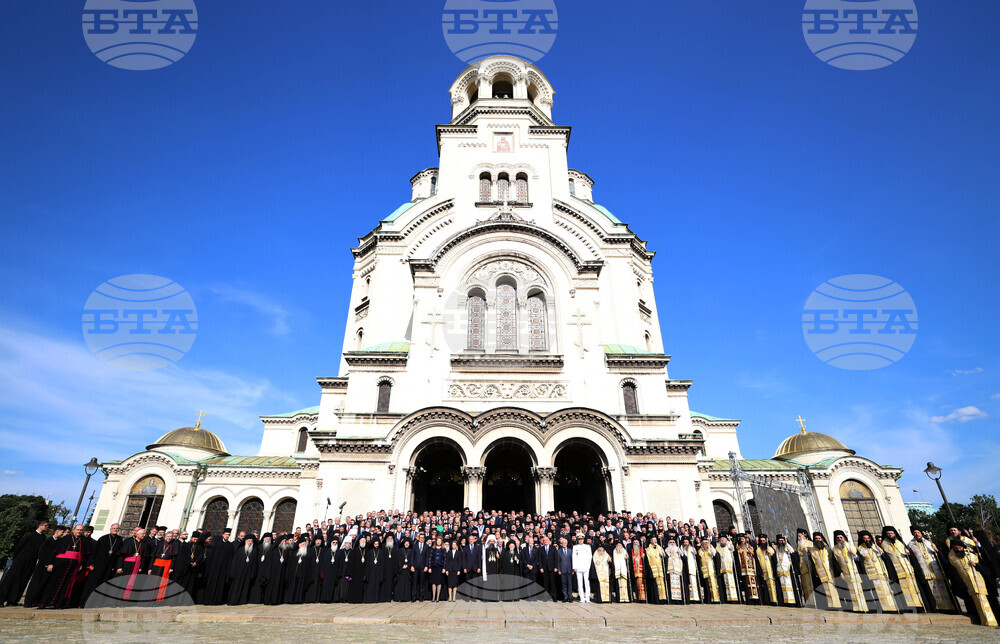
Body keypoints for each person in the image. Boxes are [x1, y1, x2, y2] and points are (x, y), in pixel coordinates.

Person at [947, 540, 999, 627]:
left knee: (985, 600)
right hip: (967, 582)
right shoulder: (952, 556)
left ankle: (991, 620)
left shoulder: (970, 554)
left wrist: (976, 564)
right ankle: (984, 620)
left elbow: (984, 564)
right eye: (955, 547)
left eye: (959, 547)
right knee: (977, 602)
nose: (958, 549)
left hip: (979, 580)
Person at [39, 524, 91, 609]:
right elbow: (54, 552)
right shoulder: (66, 538)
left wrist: (82, 565)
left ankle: (59, 603)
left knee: (67, 585)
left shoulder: (84, 541)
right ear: (74, 529)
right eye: (77, 529)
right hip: (60, 564)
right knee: (53, 583)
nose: (79, 531)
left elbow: (85, 555)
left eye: (81, 530)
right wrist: (50, 563)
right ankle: (44, 602)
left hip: (73, 567)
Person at [0, 520, 48, 607]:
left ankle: (13, 600)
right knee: (12, 579)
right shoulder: (30, 535)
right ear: (40, 526)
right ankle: (2, 599)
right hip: (21, 560)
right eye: (45, 525)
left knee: (23, 580)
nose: (46, 527)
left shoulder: (43, 538)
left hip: (31, 562)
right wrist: (17, 559)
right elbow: (19, 546)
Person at [908, 526, 957, 613]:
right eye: (915, 533)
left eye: (918, 532)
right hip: (924, 570)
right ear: (912, 534)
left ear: (921, 533)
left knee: (943, 587)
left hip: (936, 568)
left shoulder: (928, 542)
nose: (917, 534)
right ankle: (936, 607)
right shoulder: (910, 545)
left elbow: (937, 553)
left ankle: (948, 608)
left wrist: (936, 549)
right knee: (931, 590)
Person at [881, 526, 923, 611]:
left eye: (891, 533)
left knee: (913, 587)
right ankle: (909, 607)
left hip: (907, 567)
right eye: (888, 534)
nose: (890, 535)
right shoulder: (884, 543)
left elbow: (905, 551)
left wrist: (908, 552)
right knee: (904, 589)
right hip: (897, 569)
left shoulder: (899, 542)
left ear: (895, 533)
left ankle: (918, 605)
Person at [855, 530, 898, 613]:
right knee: (878, 593)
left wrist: (881, 551)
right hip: (872, 574)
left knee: (887, 591)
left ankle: (892, 608)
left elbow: (884, 558)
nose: (867, 540)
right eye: (865, 538)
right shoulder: (860, 548)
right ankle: (884, 609)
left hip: (882, 571)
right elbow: (860, 561)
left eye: (868, 538)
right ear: (862, 539)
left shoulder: (875, 546)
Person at [23, 525, 65, 608]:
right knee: (36, 584)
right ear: (57, 531)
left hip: (51, 567)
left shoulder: (60, 542)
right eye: (62, 532)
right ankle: (29, 602)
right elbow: (42, 553)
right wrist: (47, 563)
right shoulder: (48, 541)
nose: (63, 534)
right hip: (42, 566)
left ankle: (38, 601)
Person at [804, 532, 841, 611]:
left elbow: (834, 561)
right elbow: (812, 563)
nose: (818, 540)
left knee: (833, 588)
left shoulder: (827, 548)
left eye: (819, 538)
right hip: (820, 573)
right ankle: (829, 606)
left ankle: (836, 605)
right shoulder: (812, 550)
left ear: (822, 539)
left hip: (830, 571)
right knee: (824, 589)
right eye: (816, 539)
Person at [831, 530, 866, 613]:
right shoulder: (835, 549)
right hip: (845, 573)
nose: (840, 539)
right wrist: (840, 572)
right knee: (850, 592)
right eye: (838, 538)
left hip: (854, 571)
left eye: (841, 537)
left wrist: (854, 554)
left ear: (844, 538)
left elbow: (859, 559)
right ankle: (855, 608)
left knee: (859, 590)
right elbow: (835, 563)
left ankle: (863, 607)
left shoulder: (850, 546)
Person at [149, 528, 180, 603]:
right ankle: (150, 598)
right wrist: (150, 568)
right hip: (157, 564)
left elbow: (174, 558)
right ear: (165, 537)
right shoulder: (160, 544)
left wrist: (171, 568)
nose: (169, 538)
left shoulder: (173, 545)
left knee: (163, 582)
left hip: (167, 564)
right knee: (154, 581)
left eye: (171, 536)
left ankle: (159, 600)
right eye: (168, 536)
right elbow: (153, 557)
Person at [771, 535, 801, 608]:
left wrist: (791, 552)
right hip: (780, 571)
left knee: (792, 586)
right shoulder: (777, 550)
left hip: (789, 571)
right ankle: (785, 602)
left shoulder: (788, 548)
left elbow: (795, 558)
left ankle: (794, 602)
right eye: (779, 541)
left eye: (782, 540)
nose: (781, 542)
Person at [227, 534, 257, 606]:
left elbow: (255, 563)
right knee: (236, 586)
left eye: (251, 541)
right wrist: (233, 572)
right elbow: (235, 561)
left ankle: (242, 601)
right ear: (245, 541)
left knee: (245, 587)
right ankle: (234, 600)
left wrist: (252, 573)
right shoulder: (240, 550)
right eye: (248, 541)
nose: (250, 542)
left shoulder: (254, 551)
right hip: (239, 572)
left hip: (248, 572)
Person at [734, 534, 761, 605]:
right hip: (744, 570)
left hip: (751, 569)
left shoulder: (750, 547)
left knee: (754, 585)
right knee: (746, 586)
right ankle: (749, 600)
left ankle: (756, 600)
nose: (742, 540)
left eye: (743, 539)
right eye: (741, 539)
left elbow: (755, 556)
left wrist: (752, 553)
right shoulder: (738, 547)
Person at [715, 536, 740, 603]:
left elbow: (733, 552)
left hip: (730, 567)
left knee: (731, 582)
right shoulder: (717, 546)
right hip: (722, 567)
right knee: (725, 583)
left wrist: (732, 548)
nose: (722, 540)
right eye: (721, 538)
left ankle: (734, 598)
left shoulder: (729, 544)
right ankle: (727, 598)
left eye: (723, 538)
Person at [755, 535, 777, 606]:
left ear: (766, 540)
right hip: (763, 571)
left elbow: (774, 560)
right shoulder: (758, 550)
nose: (762, 542)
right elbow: (757, 561)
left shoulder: (770, 549)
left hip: (771, 570)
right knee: (765, 587)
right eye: (761, 541)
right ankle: (767, 601)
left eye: (763, 541)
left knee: (772, 586)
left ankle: (774, 600)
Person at [363, 537, 386, 603]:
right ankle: (370, 599)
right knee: (370, 585)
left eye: (377, 544)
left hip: (378, 571)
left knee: (377, 586)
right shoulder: (370, 552)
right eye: (375, 544)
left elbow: (382, 563)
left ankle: (376, 599)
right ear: (373, 544)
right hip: (371, 571)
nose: (376, 545)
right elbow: (367, 563)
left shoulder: (381, 552)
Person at [644, 536, 666, 604]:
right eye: (653, 540)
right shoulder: (648, 549)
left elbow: (663, 556)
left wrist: (663, 552)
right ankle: (656, 599)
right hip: (653, 570)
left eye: (656, 539)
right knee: (655, 585)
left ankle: (663, 599)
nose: (655, 541)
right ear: (650, 541)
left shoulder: (659, 548)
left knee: (662, 585)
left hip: (660, 569)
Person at [664, 537, 685, 603]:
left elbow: (683, 557)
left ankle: (679, 600)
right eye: (670, 542)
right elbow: (665, 559)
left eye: (673, 542)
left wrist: (681, 553)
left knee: (678, 584)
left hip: (677, 569)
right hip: (670, 569)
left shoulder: (678, 549)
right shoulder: (666, 550)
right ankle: (672, 600)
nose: (672, 544)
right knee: (671, 585)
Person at [573, 534, 593, 603]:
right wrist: (574, 567)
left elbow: (590, 557)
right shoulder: (575, 547)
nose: (580, 540)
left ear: (583, 540)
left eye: (581, 539)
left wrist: (588, 566)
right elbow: (574, 558)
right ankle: (581, 597)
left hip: (586, 567)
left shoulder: (587, 547)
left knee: (587, 583)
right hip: (578, 567)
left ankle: (587, 597)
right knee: (580, 583)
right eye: (579, 539)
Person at [539, 536, 558, 601]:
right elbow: (540, 559)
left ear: (549, 540)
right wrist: (541, 567)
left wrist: (556, 567)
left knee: (552, 583)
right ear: (543, 541)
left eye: (546, 540)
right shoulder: (541, 549)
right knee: (545, 583)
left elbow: (556, 558)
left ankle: (553, 596)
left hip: (552, 568)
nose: (545, 541)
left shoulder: (553, 548)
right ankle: (546, 597)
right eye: (544, 540)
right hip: (544, 568)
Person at [428, 536, 445, 603]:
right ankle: (433, 597)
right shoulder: (433, 549)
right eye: (437, 541)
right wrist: (429, 567)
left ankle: (437, 597)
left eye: (440, 541)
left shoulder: (443, 549)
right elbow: (430, 558)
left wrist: (444, 568)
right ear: (436, 542)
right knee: (433, 582)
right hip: (434, 567)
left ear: (441, 542)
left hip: (440, 567)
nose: (438, 542)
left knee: (439, 582)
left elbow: (445, 559)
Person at [556, 537, 573, 602]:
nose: (564, 544)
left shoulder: (570, 551)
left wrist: (572, 569)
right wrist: (559, 570)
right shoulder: (559, 551)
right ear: (561, 543)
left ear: (567, 543)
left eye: (565, 543)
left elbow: (572, 561)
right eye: (563, 543)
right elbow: (558, 561)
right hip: (562, 570)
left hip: (569, 569)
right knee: (564, 584)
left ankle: (570, 596)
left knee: (570, 584)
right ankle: (565, 596)